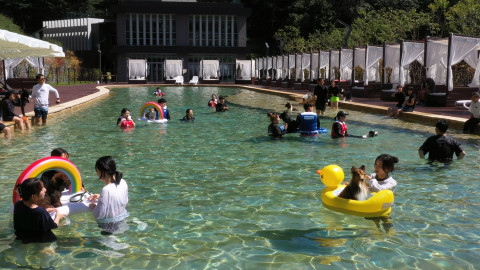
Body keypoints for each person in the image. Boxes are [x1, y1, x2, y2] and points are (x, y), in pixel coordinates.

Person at [14, 178, 66, 243]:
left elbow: (29, 216)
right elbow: (53, 226)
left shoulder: (18, 205)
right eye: (42, 189)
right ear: (33, 196)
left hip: (23, 237)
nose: (45, 190)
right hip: (41, 241)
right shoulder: (40, 212)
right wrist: (58, 216)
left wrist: (45, 211)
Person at [88, 156, 129, 235]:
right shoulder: (122, 182)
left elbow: (100, 215)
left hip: (109, 225)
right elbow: (122, 199)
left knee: (107, 241)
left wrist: (92, 207)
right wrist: (101, 196)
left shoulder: (106, 190)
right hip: (123, 217)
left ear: (101, 171)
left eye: (97, 171)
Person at [365, 154, 399, 232]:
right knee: (374, 222)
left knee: (386, 222)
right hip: (372, 204)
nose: (376, 167)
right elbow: (368, 187)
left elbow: (379, 190)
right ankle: (377, 233)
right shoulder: (373, 176)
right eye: (375, 164)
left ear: (388, 169)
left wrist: (371, 180)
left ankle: (390, 234)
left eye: (380, 166)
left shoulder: (392, 182)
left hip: (383, 207)